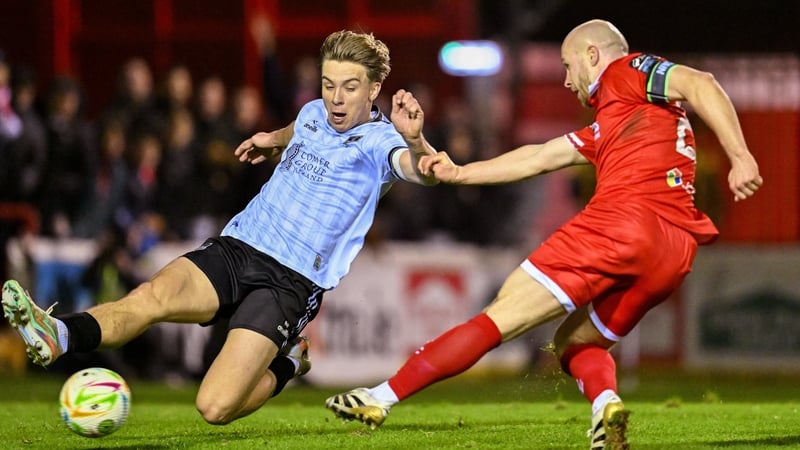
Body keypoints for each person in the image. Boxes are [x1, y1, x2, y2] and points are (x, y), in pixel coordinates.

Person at [324, 19, 763, 450]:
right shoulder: (623, 121)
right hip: (674, 251)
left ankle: (380, 397)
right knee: (574, 341)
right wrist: (459, 172)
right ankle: (606, 406)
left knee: (501, 314)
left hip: (621, 222)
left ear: (593, 55)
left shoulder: (626, 72)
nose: (568, 80)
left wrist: (740, 156)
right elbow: (538, 156)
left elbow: (701, 81)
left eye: (568, 65)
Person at [2, 29, 437, 425]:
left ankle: (288, 362)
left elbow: (422, 171)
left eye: (349, 87)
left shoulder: (384, 143)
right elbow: (297, 129)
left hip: (290, 282)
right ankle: (59, 334)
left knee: (214, 406)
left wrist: (416, 139)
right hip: (240, 245)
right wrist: (270, 140)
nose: (336, 99)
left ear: (374, 88)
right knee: (151, 296)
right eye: (328, 85)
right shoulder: (313, 113)